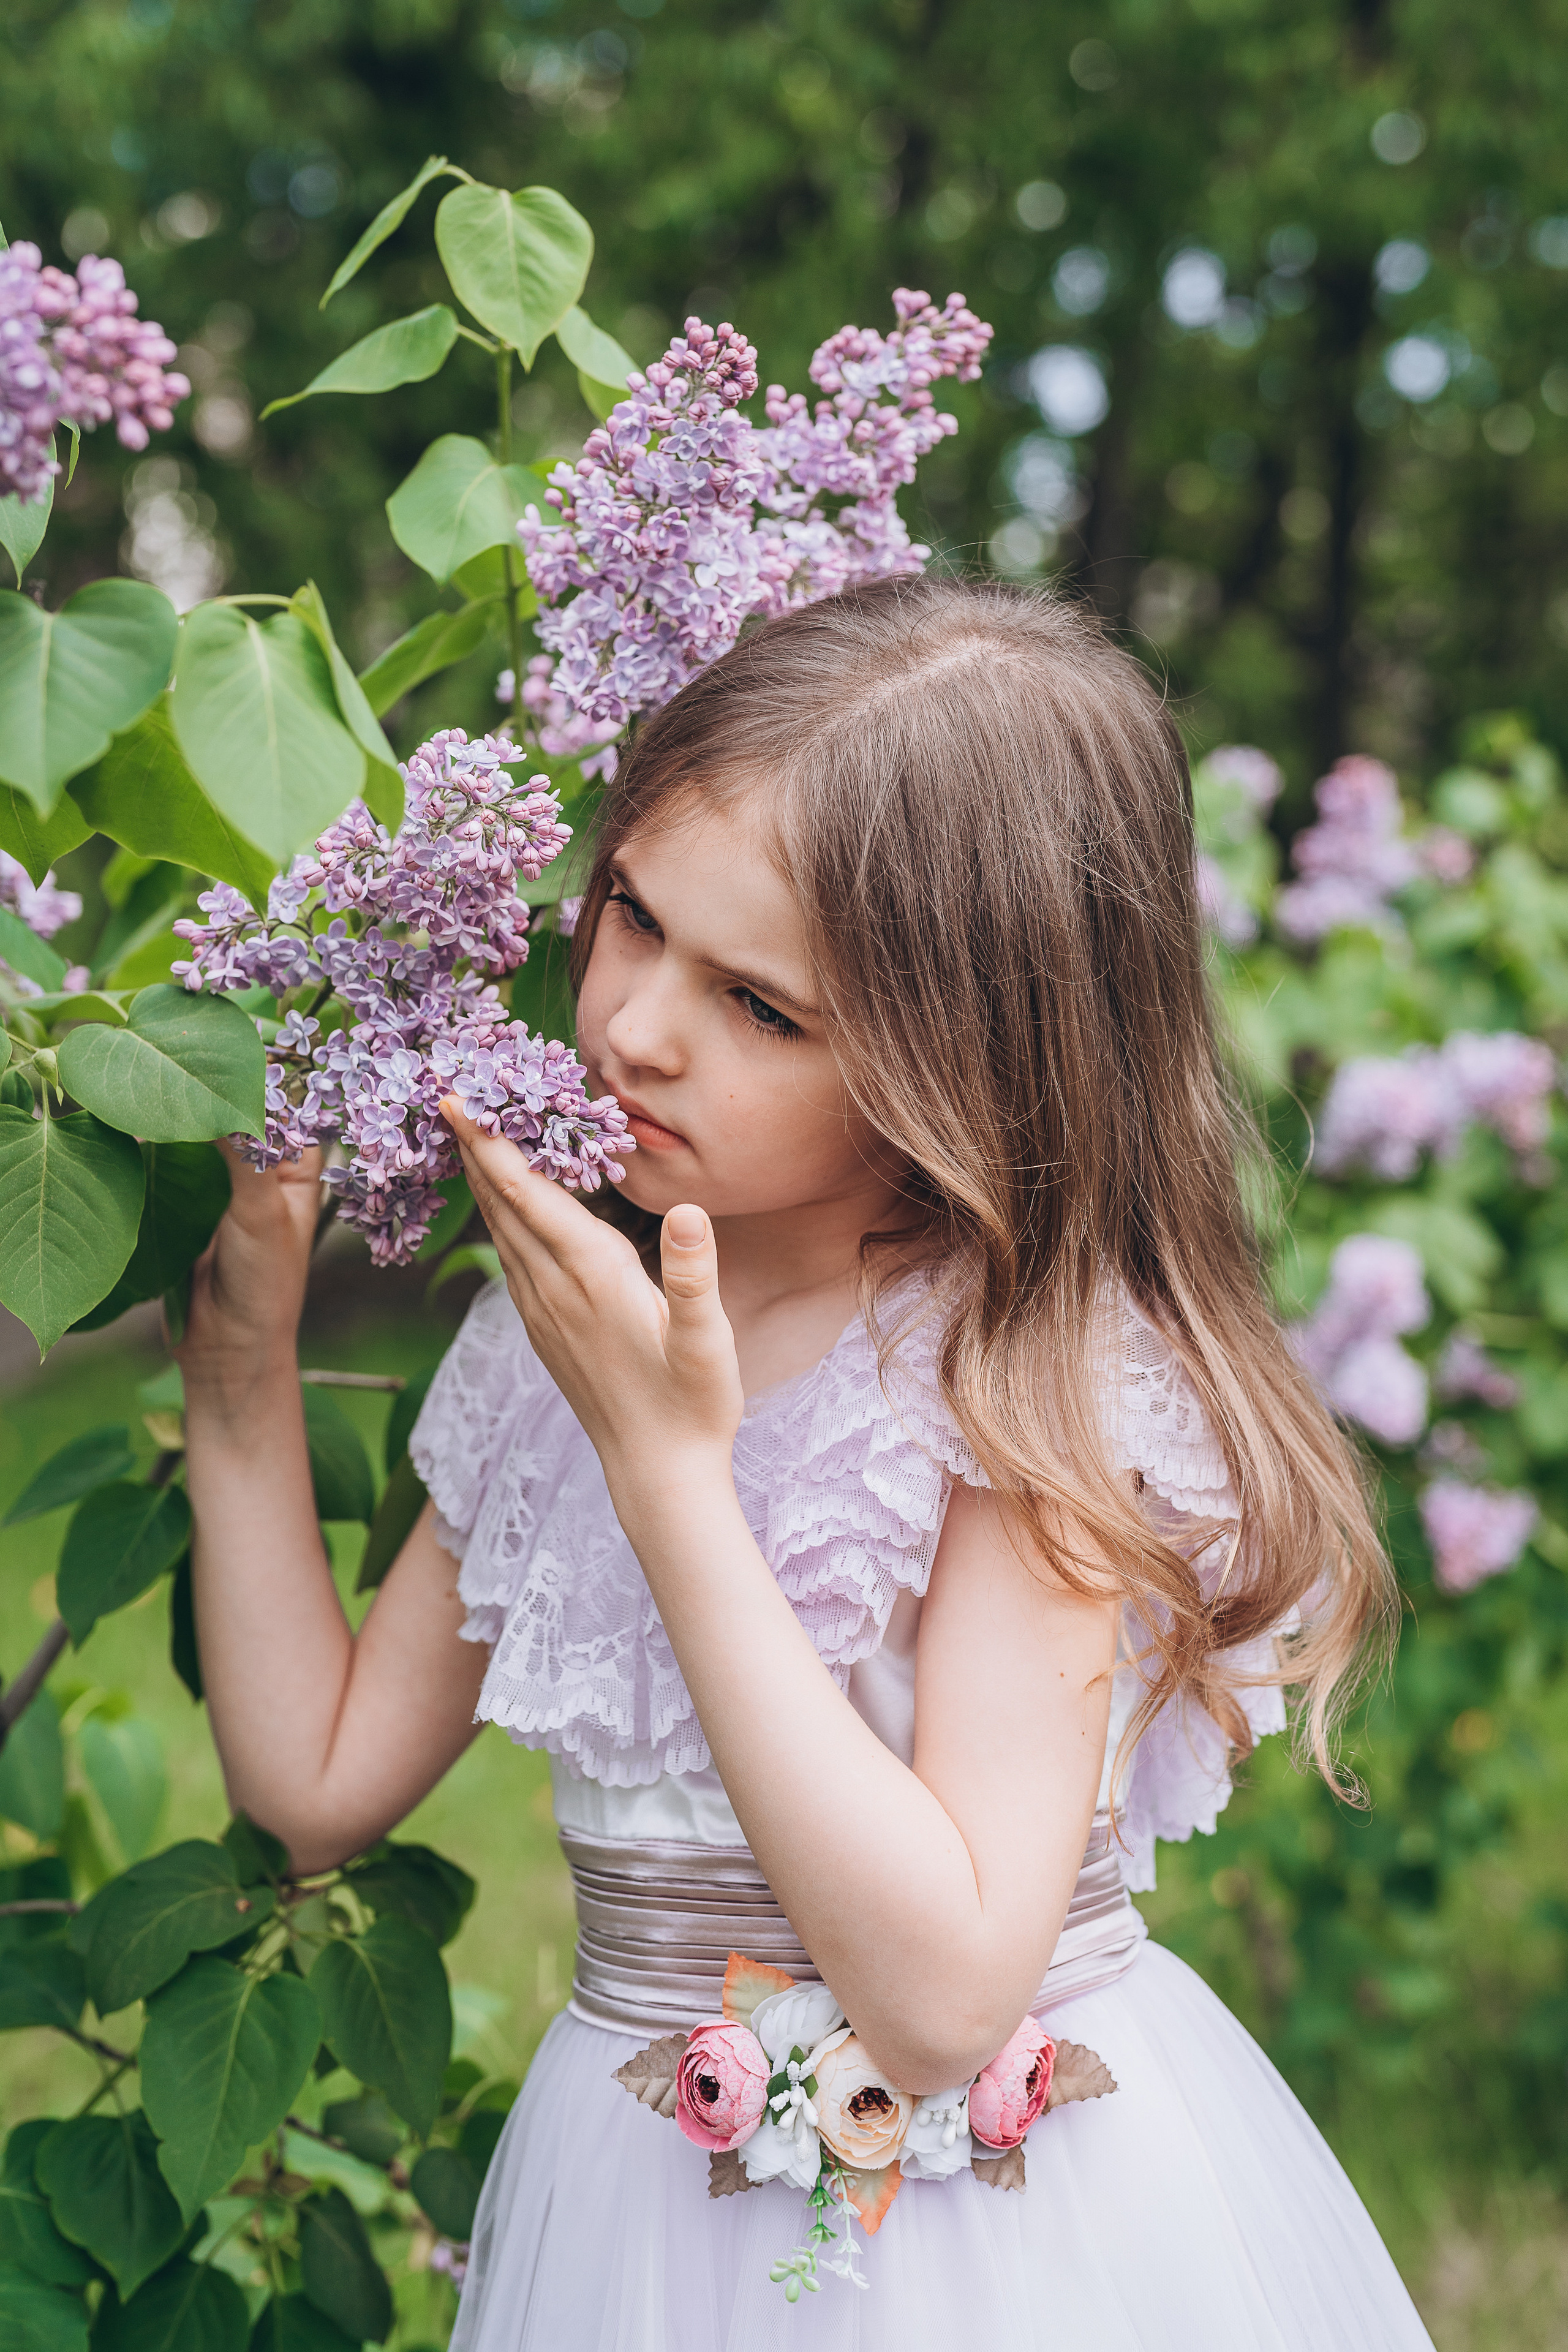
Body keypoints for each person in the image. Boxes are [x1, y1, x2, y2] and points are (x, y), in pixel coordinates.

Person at [178, 576, 1436, 2350]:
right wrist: (240, 1366)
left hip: (994, 2253)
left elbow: (936, 2003)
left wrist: (672, 1477)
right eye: (630, 915)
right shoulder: (572, 1320)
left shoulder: (1014, 1375)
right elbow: (315, 1781)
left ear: (968, 1060)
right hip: (634, 2221)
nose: (633, 1028)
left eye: (762, 1006)